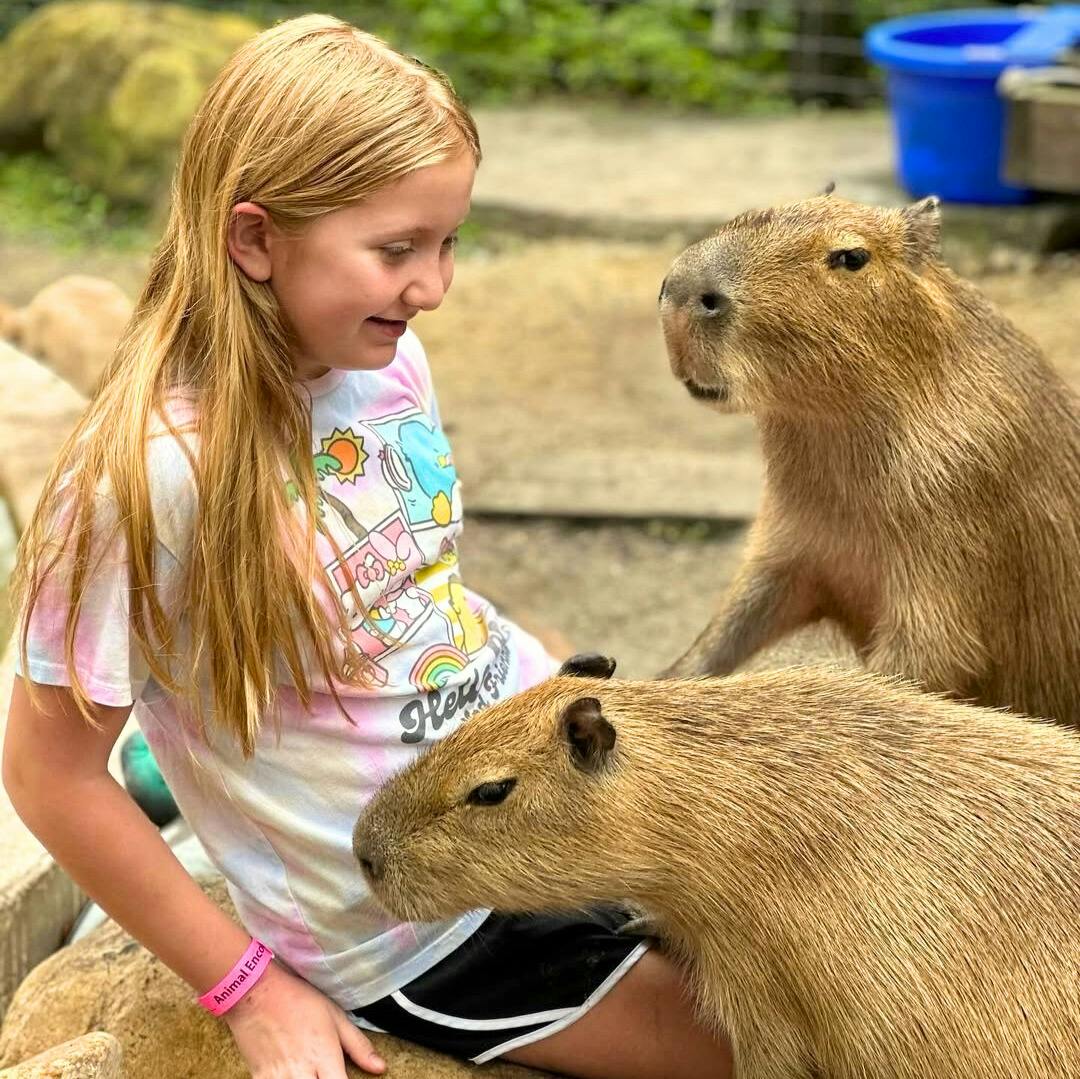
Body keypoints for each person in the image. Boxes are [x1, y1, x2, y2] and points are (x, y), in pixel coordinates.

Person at [2, 15, 734, 1079]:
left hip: (540, 774)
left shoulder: (387, 363)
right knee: (766, 1040)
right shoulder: (149, 478)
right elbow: (49, 772)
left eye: (446, 243)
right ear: (254, 240)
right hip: (421, 908)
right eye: (397, 250)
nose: (433, 285)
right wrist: (246, 989)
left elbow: (403, 583)